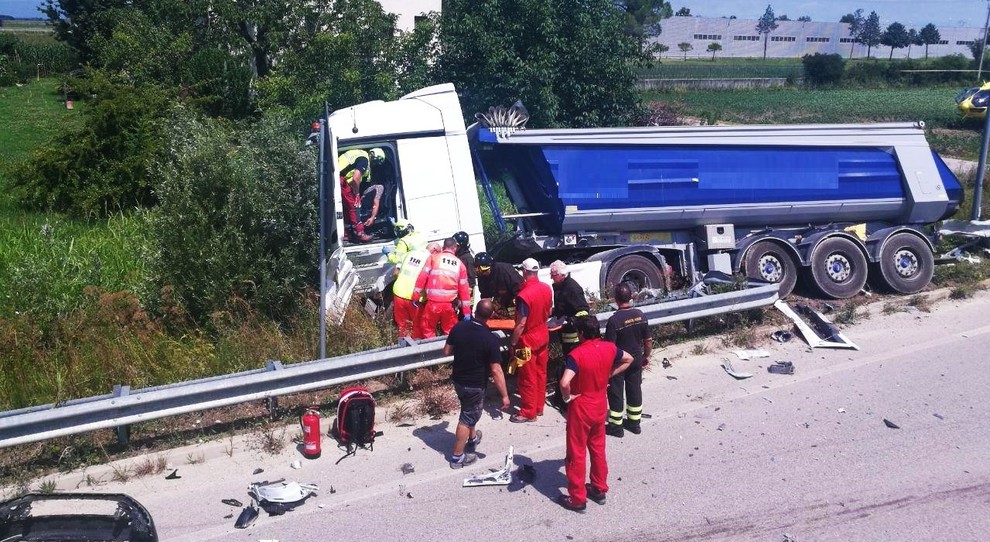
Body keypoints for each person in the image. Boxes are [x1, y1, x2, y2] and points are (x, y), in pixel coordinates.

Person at [557, 315, 633, 512]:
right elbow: (629, 359)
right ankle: (599, 488)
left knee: (577, 452)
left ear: (581, 334)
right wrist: (609, 373)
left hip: (581, 406)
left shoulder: (577, 354)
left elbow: (565, 382)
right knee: (598, 448)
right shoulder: (609, 348)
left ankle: (577, 498)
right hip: (600, 404)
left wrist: (567, 398)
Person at [442, 300, 510, 468]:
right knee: (466, 418)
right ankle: (457, 457)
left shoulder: (458, 327)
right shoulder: (490, 339)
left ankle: (472, 439)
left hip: (458, 380)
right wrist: (505, 396)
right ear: (491, 316)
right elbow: (496, 371)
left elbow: (446, 351)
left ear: (475, 311)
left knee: (469, 410)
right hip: (475, 385)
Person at [604, 283, 652, 438]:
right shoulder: (641, 315)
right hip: (637, 358)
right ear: (631, 296)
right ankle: (634, 423)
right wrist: (646, 355)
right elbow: (648, 339)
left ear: (616, 299)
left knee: (616, 392)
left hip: (620, 362)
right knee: (635, 389)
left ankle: (616, 427)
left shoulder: (614, 321)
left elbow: (610, 348)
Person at [508, 258, 553, 423]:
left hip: (527, 340)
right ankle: (539, 407)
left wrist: (513, 343)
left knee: (527, 377)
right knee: (541, 373)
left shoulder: (523, 295)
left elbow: (521, 324)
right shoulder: (546, 288)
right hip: (543, 335)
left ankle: (528, 412)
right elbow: (548, 311)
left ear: (524, 272)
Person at [412, 238, 472, 338]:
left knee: (427, 329)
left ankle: (432, 350)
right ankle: (450, 351)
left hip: (432, 304)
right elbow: (464, 290)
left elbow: (422, 277)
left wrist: (415, 296)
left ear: (443, 247)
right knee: (451, 332)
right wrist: (466, 312)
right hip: (450, 305)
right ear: (455, 248)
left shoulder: (433, 258)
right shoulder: (460, 265)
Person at [392, 242, 441, 339]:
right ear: (434, 250)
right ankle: (417, 350)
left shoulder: (410, 253)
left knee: (403, 326)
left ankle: (404, 349)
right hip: (415, 297)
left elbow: (397, 270)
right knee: (417, 326)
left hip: (399, 293)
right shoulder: (431, 259)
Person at [337, 148, 385, 243]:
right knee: (355, 206)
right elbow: (355, 178)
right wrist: (357, 194)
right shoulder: (364, 160)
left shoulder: (358, 154)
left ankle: (346, 233)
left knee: (346, 208)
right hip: (342, 180)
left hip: (337, 178)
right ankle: (360, 233)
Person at [550, 260, 591, 356]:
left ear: (562, 275)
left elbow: (583, 310)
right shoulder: (561, 286)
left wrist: (569, 321)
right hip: (566, 336)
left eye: (553, 275)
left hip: (574, 338)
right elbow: (564, 307)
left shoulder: (572, 288)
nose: (551, 277)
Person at [475, 252, 523, 319]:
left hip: (514, 299)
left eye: (484, 271)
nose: (483, 274)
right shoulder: (482, 276)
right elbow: (485, 296)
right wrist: (488, 311)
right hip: (499, 301)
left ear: (489, 267)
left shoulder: (505, 270)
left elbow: (521, 290)